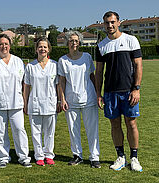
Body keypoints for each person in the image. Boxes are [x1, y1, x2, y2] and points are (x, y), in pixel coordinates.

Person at [95, 11, 143, 172]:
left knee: (131, 123)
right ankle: (120, 156)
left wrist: (136, 89)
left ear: (119, 22)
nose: (110, 25)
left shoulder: (131, 40)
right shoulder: (101, 45)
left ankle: (134, 158)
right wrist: (98, 94)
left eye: (112, 22)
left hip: (129, 91)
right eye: (107, 23)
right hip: (110, 92)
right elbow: (99, 72)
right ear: (104, 24)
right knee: (115, 124)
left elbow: (138, 65)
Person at [0, 34, 31, 168]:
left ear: (10, 46)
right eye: (1, 44)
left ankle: (23, 157)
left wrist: (25, 100)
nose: (4, 46)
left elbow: (25, 83)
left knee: (19, 129)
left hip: (16, 102)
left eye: (6, 44)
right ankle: (3, 157)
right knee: (0, 132)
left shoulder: (18, 61)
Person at [58, 31, 101, 168]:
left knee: (92, 129)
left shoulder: (87, 57)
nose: (74, 43)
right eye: (71, 40)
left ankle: (94, 157)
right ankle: (77, 155)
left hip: (89, 98)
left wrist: (98, 93)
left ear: (80, 42)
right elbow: (61, 82)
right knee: (73, 129)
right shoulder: (63, 60)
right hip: (71, 100)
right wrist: (62, 99)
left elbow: (92, 76)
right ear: (67, 43)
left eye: (76, 40)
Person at [23, 37, 59, 166]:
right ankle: (39, 156)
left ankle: (49, 155)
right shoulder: (30, 67)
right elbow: (26, 86)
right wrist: (25, 103)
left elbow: (58, 85)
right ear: (36, 49)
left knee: (50, 131)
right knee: (36, 131)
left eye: (45, 47)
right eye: (40, 47)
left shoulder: (54, 65)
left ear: (49, 49)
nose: (42, 49)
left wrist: (59, 101)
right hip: (35, 102)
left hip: (50, 102)